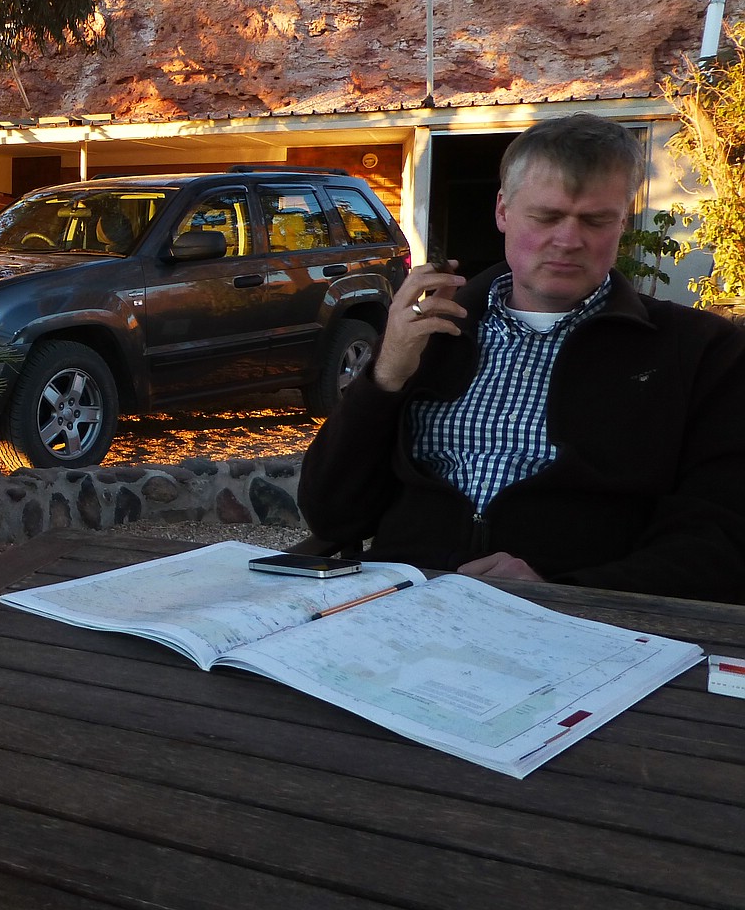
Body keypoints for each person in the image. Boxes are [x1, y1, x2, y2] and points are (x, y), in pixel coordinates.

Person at [299, 112, 745, 603]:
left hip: (580, 620)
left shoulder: (700, 351)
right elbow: (331, 515)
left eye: (595, 220)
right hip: (407, 600)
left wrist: (565, 595)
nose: (568, 240)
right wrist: (384, 378)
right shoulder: (432, 335)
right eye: (546, 217)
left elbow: (720, 533)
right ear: (503, 211)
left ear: (623, 220)